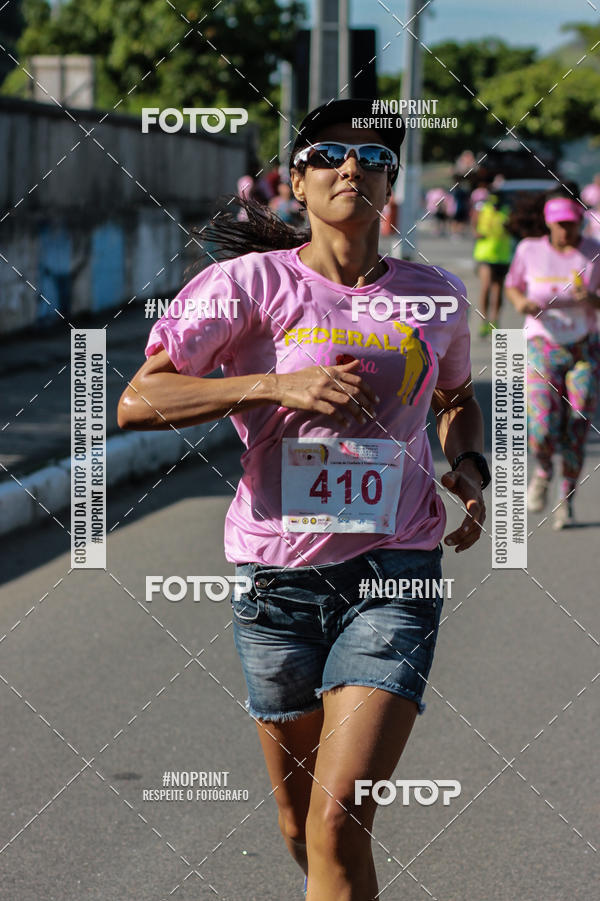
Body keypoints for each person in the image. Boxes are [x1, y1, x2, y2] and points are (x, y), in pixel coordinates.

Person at [118, 98, 489, 900]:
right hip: (277, 583)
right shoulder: (246, 284)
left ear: (391, 183)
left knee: (339, 815)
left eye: (373, 155)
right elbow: (139, 399)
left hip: (396, 569)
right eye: (329, 153)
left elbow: (456, 396)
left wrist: (468, 463)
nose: (352, 165)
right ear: (296, 179)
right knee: (299, 825)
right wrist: (272, 384)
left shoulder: (435, 295)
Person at [505, 187, 600, 530]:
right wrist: (521, 303)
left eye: (572, 223)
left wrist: (591, 298)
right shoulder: (529, 250)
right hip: (542, 344)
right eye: (560, 224)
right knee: (542, 425)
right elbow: (513, 285)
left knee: (577, 423)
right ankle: (544, 471)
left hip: (583, 348)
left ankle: (566, 499)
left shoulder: (594, 251)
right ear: (548, 223)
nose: (567, 230)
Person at [473, 191, 513, 337]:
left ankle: (495, 321)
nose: (496, 207)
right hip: (485, 255)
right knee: (486, 286)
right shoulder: (482, 210)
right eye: (493, 203)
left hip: (502, 256)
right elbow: (474, 224)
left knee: (498, 290)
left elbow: (513, 229)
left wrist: (508, 226)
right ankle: (484, 320)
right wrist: (477, 232)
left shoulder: (507, 212)